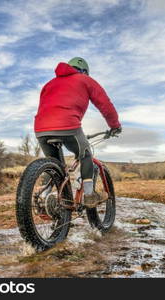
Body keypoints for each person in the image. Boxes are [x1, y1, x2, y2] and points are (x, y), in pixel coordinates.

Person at [34, 57, 122, 208]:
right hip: (68, 125)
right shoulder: (85, 80)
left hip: (41, 128)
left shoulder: (49, 84)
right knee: (85, 153)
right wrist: (114, 125)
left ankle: (45, 193)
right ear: (84, 72)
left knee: (55, 165)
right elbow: (105, 105)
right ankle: (89, 195)